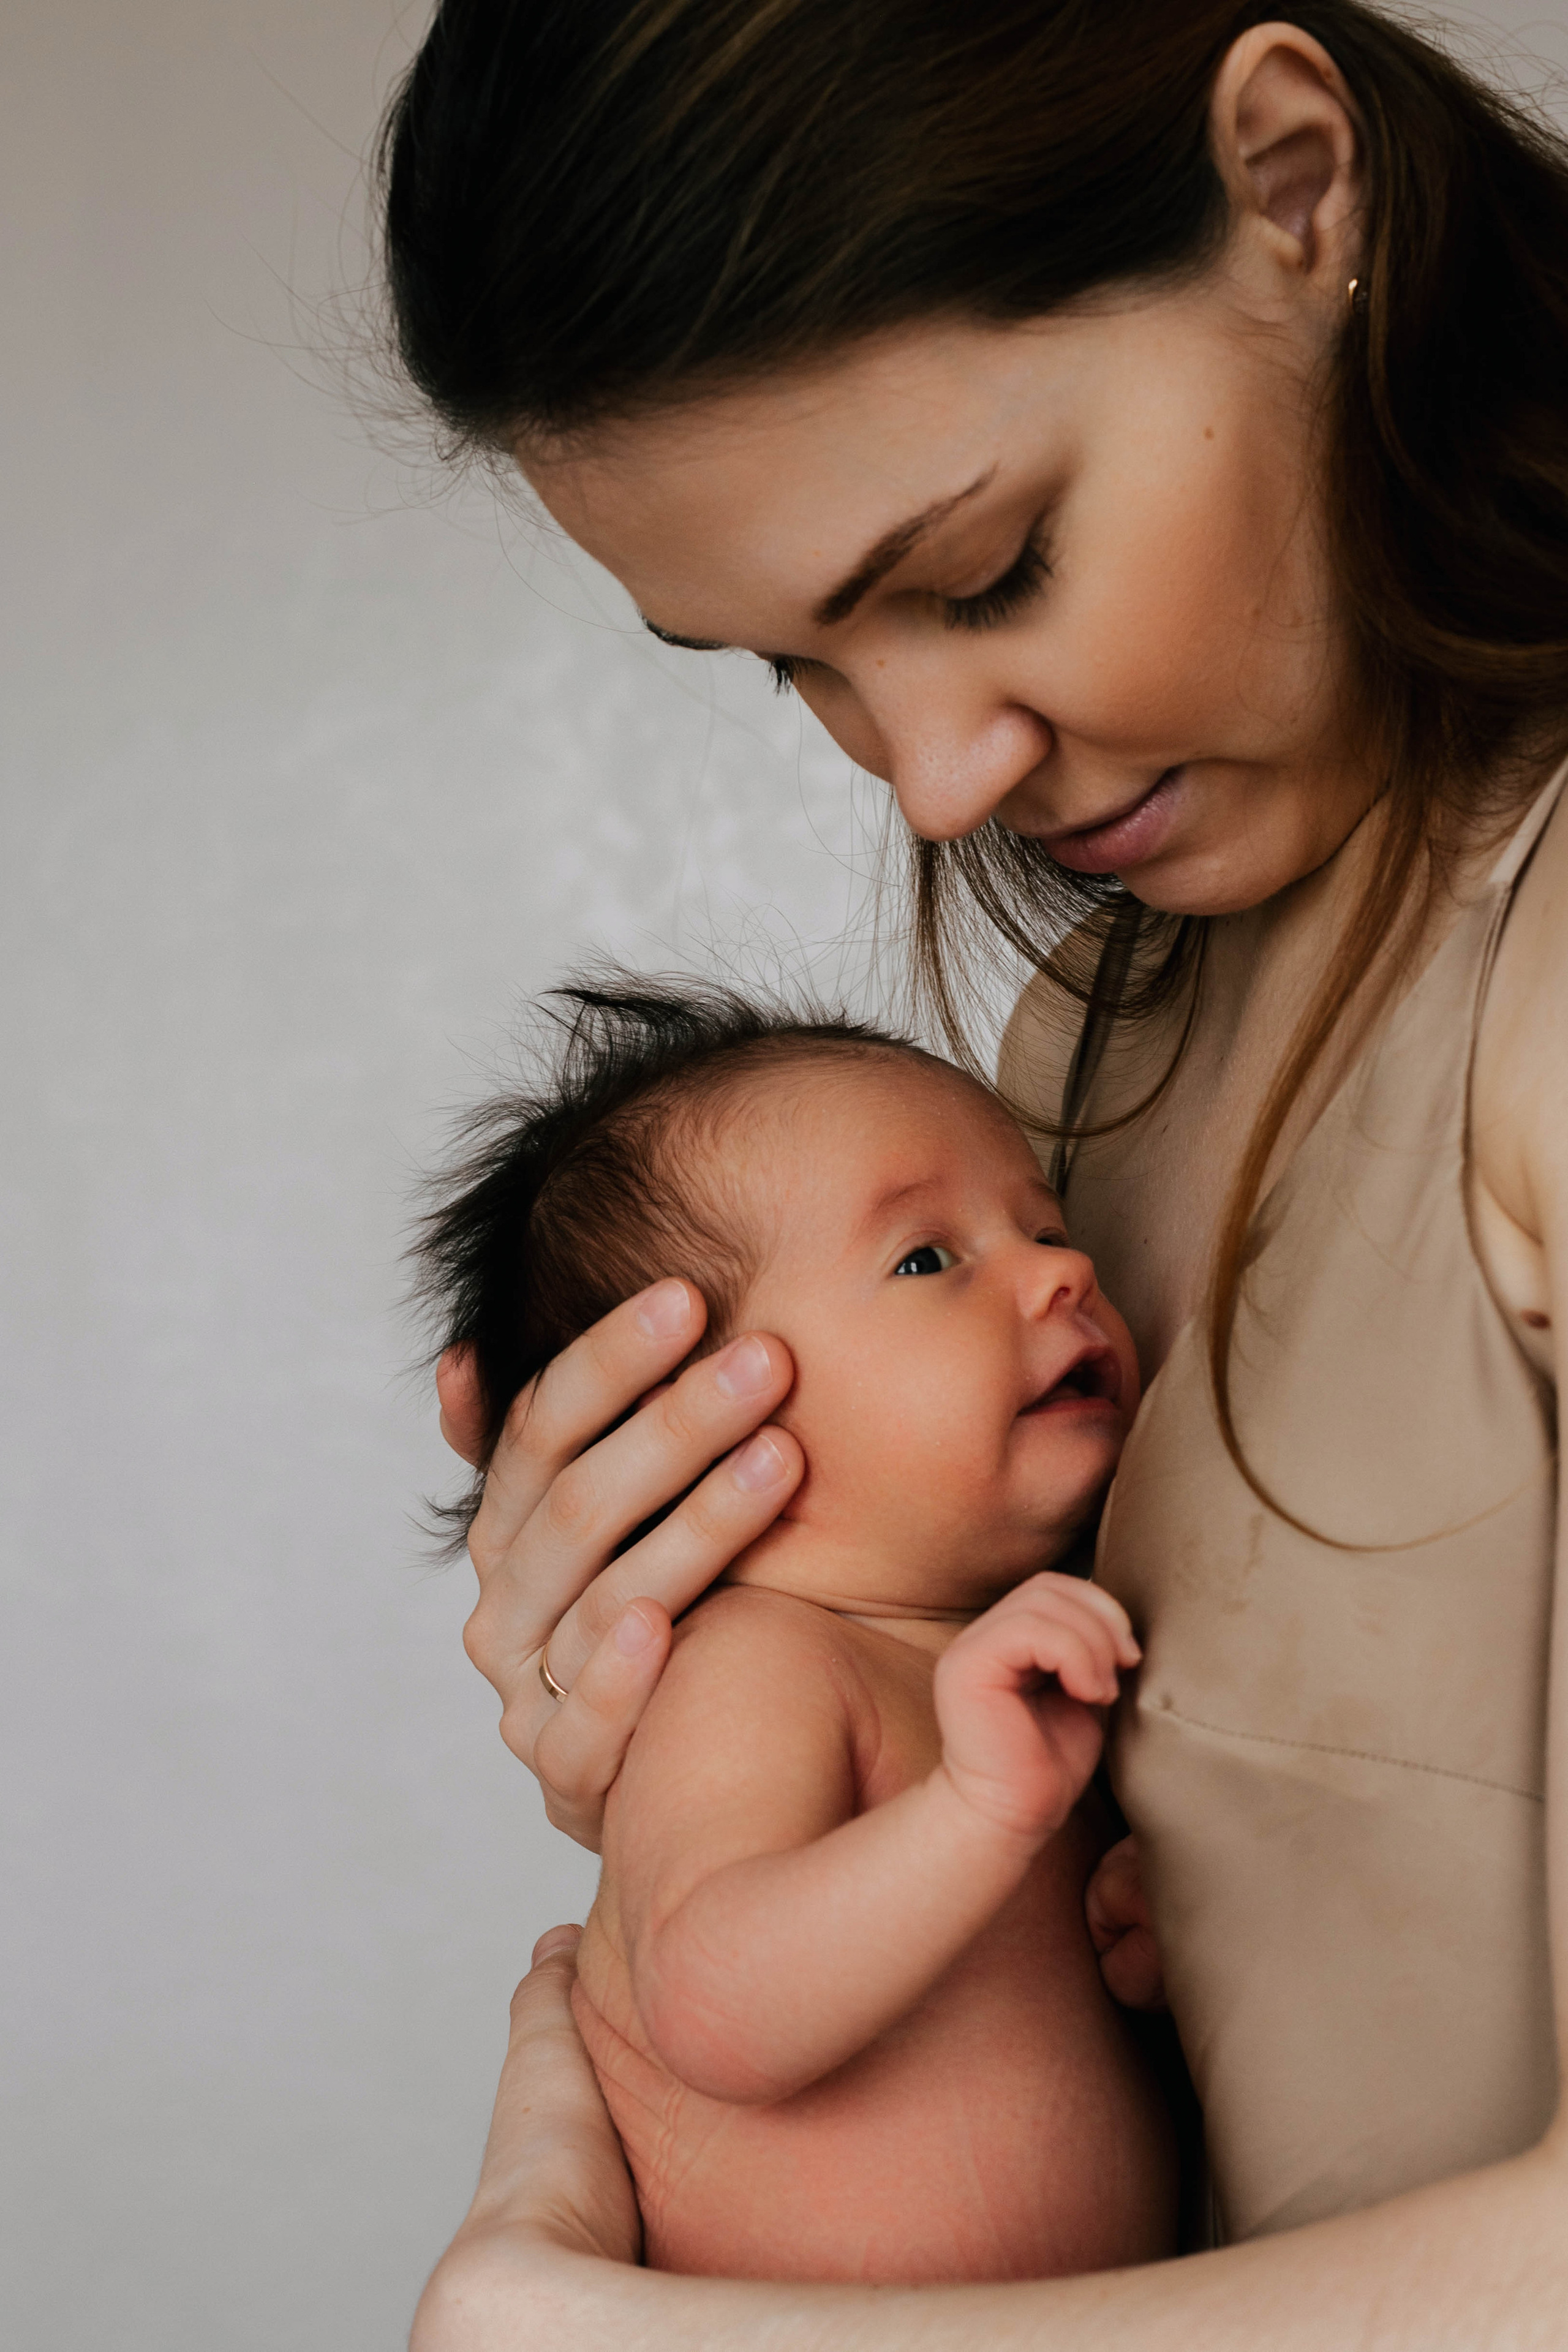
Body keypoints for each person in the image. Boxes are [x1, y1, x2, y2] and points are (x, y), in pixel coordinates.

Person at [375, 3, 1568, 2342]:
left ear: (1302, 183)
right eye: (782, 665)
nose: (927, 781)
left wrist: (624, 2328)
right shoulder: (1091, 1060)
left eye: (988, 563)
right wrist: (742, 1700)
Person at [413, 980, 1177, 2282]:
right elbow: (715, 2003)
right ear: (692, 1427)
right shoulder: (759, 1666)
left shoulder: (1001, 1659)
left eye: (1045, 1228)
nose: (1063, 1270)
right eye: (926, 1259)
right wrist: (978, 1817)